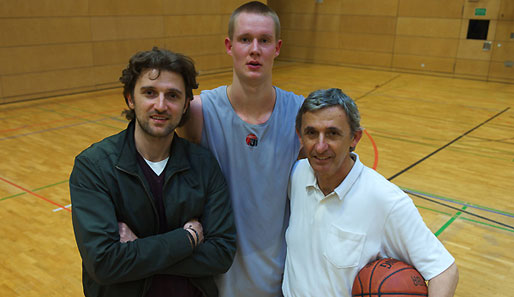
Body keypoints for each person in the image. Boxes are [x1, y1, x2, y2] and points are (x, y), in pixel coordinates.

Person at [70, 47, 236, 297]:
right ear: (130, 98)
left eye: (172, 95)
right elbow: (104, 263)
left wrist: (137, 249)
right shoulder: (94, 167)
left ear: (185, 105)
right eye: (149, 93)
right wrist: (186, 240)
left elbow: (221, 254)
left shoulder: (204, 164)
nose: (161, 105)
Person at [178, 2, 304, 296]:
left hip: (281, 279)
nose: (255, 49)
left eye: (265, 40)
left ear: (278, 47)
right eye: (245, 39)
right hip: (218, 280)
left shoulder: (299, 114)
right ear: (229, 45)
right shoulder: (198, 113)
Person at [282, 88, 459, 297]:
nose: (320, 147)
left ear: (354, 138)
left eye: (332, 133)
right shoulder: (297, 175)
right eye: (311, 133)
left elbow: (445, 271)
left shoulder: (385, 200)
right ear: (300, 136)